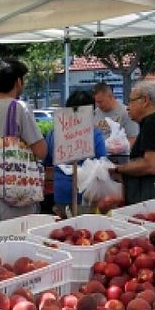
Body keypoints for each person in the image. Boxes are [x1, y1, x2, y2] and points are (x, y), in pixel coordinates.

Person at [0, 58, 47, 223]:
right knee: (19, 246)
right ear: (18, 81)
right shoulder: (20, 108)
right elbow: (41, 151)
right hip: (18, 196)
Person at [43, 90, 106, 218]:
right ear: (91, 112)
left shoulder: (53, 133)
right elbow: (103, 165)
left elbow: (47, 160)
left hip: (60, 194)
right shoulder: (95, 134)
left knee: (66, 232)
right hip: (86, 197)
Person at [93, 82, 139, 148]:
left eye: (100, 102)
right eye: (96, 102)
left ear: (110, 97)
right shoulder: (95, 113)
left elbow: (133, 139)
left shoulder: (127, 113)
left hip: (120, 156)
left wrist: (120, 148)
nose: (98, 105)